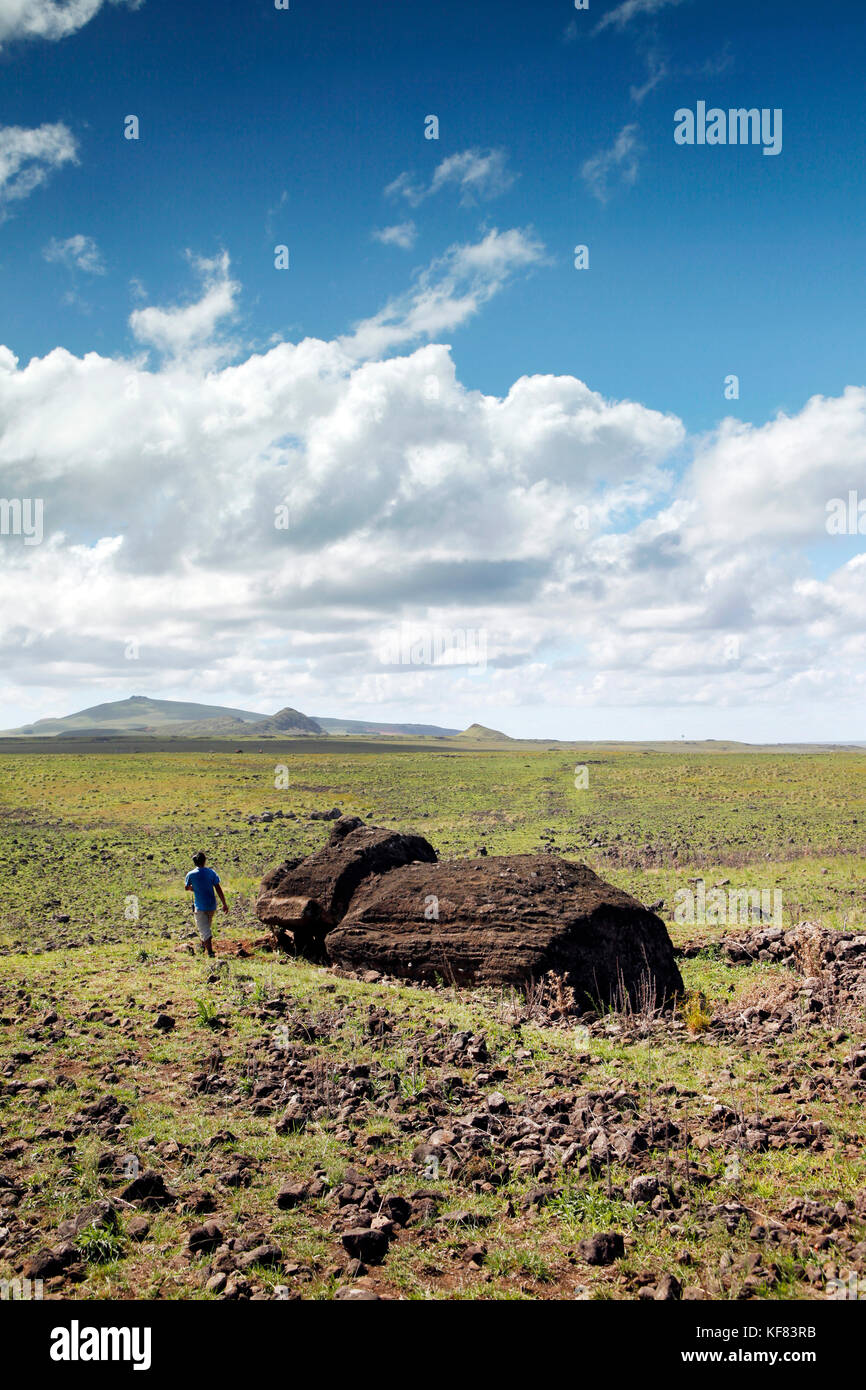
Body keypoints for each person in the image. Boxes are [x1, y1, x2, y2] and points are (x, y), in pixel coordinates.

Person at [184, 851, 228, 957]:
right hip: (211, 905)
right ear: (204, 861)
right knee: (206, 927)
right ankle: (202, 947)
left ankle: (210, 952)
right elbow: (218, 888)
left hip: (200, 906)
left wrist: (193, 888)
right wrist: (224, 903)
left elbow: (186, 887)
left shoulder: (191, 874)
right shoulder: (211, 872)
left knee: (204, 929)